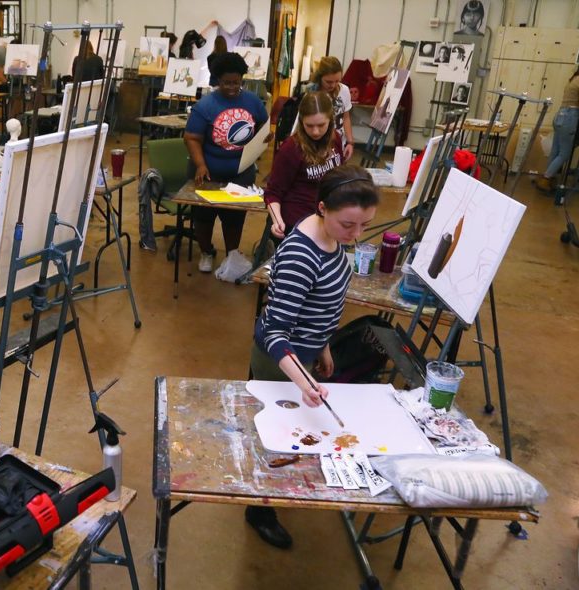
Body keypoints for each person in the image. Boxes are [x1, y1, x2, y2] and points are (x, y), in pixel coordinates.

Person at [247, 164, 379, 549]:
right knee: (278, 439)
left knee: (295, 434)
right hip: (280, 363)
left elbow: (317, 303)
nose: (355, 236)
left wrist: (322, 345)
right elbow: (274, 332)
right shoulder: (301, 255)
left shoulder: (331, 237)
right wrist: (303, 381)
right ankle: (259, 507)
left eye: (364, 225)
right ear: (323, 208)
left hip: (305, 356)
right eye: (348, 225)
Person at [183, 52, 270, 278]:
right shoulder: (206, 105)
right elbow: (192, 137)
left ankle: (232, 253)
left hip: (240, 172)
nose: (232, 87)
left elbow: (263, 124)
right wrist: (201, 165)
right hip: (208, 171)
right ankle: (206, 252)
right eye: (226, 83)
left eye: (236, 82)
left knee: (234, 216)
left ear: (243, 79)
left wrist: (262, 140)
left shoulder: (252, 101)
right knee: (204, 216)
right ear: (217, 81)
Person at [265, 91, 346, 240]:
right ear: (301, 121)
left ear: (330, 119)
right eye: (309, 125)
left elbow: (339, 177)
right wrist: (277, 221)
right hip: (297, 223)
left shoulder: (336, 139)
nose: (315, 132)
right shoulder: (291, 148)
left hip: (327, 216)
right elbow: (272, 193)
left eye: (321, 125)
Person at [536, 56, 579, 192]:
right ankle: (546, 178)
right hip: (570, 118)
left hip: (560, 116)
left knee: (555, 151)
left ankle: (547, 177)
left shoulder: (573, 79)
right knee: (564, 154)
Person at [306, 56, 355, 160]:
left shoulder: (344, 90)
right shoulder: (312, 92)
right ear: (320, 77)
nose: (333, 85)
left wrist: (350, 143)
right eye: (328, 82)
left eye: (337, 81)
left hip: (338, 145)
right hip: (317, 146)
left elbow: (346, 117)